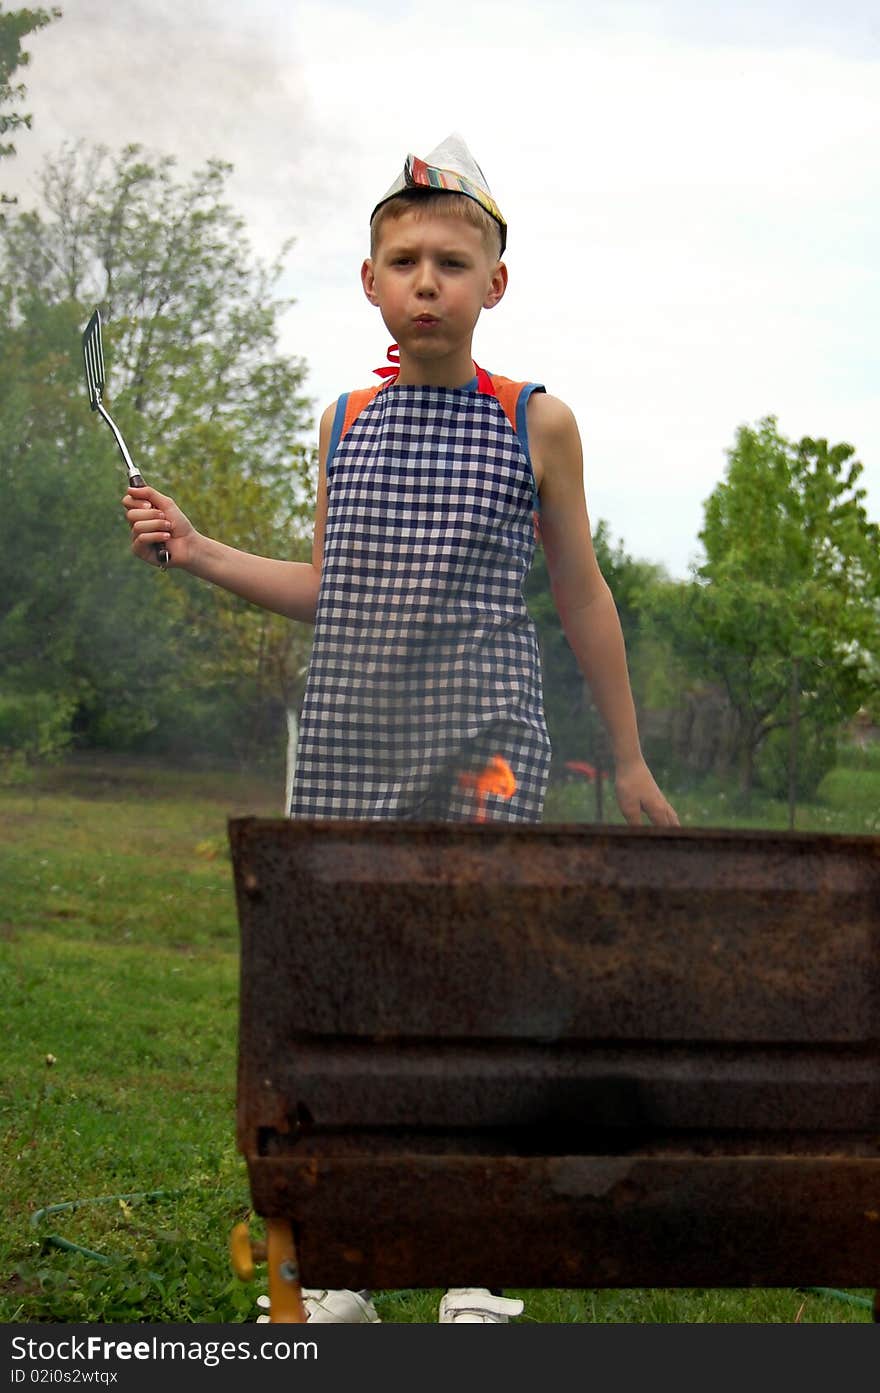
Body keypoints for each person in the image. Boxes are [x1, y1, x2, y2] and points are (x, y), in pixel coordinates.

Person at [124, 133, 679, 1323]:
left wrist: (627, 757)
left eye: (450, 260)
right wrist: (199, 544)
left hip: (485, 742)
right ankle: (350, 1258)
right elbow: (333, 584)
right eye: (403, 260)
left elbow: (582, 593)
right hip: (350, 744)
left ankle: (476, 1259)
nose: (427, 280)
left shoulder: (537, 422)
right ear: (370, 283)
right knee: (354, 1006)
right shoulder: (344, 422)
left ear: (494, 284)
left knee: (476, 991)